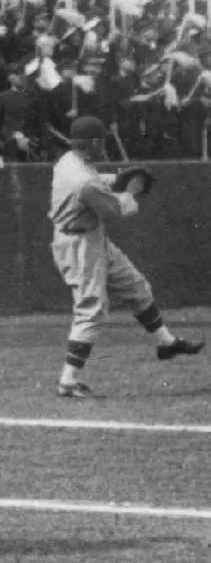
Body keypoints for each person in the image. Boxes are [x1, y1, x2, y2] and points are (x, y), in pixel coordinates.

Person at [48, 114, 202, 399]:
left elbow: (96, 180)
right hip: (78, 246)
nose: (103, 144)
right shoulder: (83, 180)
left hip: (91, 237)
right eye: (101, 140)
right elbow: (119, 210)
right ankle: (68, 382)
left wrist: (117, 178)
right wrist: (131, 189)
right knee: (91, 309)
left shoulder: (70, 160)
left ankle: (166, 343)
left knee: (136, 286)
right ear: (94, 142)